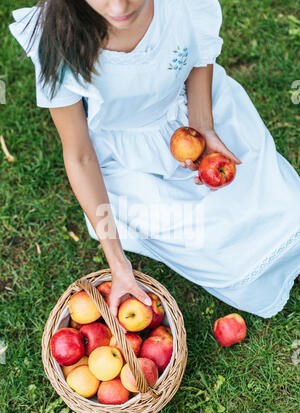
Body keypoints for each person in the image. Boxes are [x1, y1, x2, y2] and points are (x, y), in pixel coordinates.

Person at [8, 0, 300, 319]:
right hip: (131, 159)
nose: (119, 6)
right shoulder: (58, 42)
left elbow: (198, 56)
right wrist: (118, 264)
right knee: (218, 248)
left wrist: (203, 127)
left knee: (283, 204)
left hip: (193, 113)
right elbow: (79, 156)